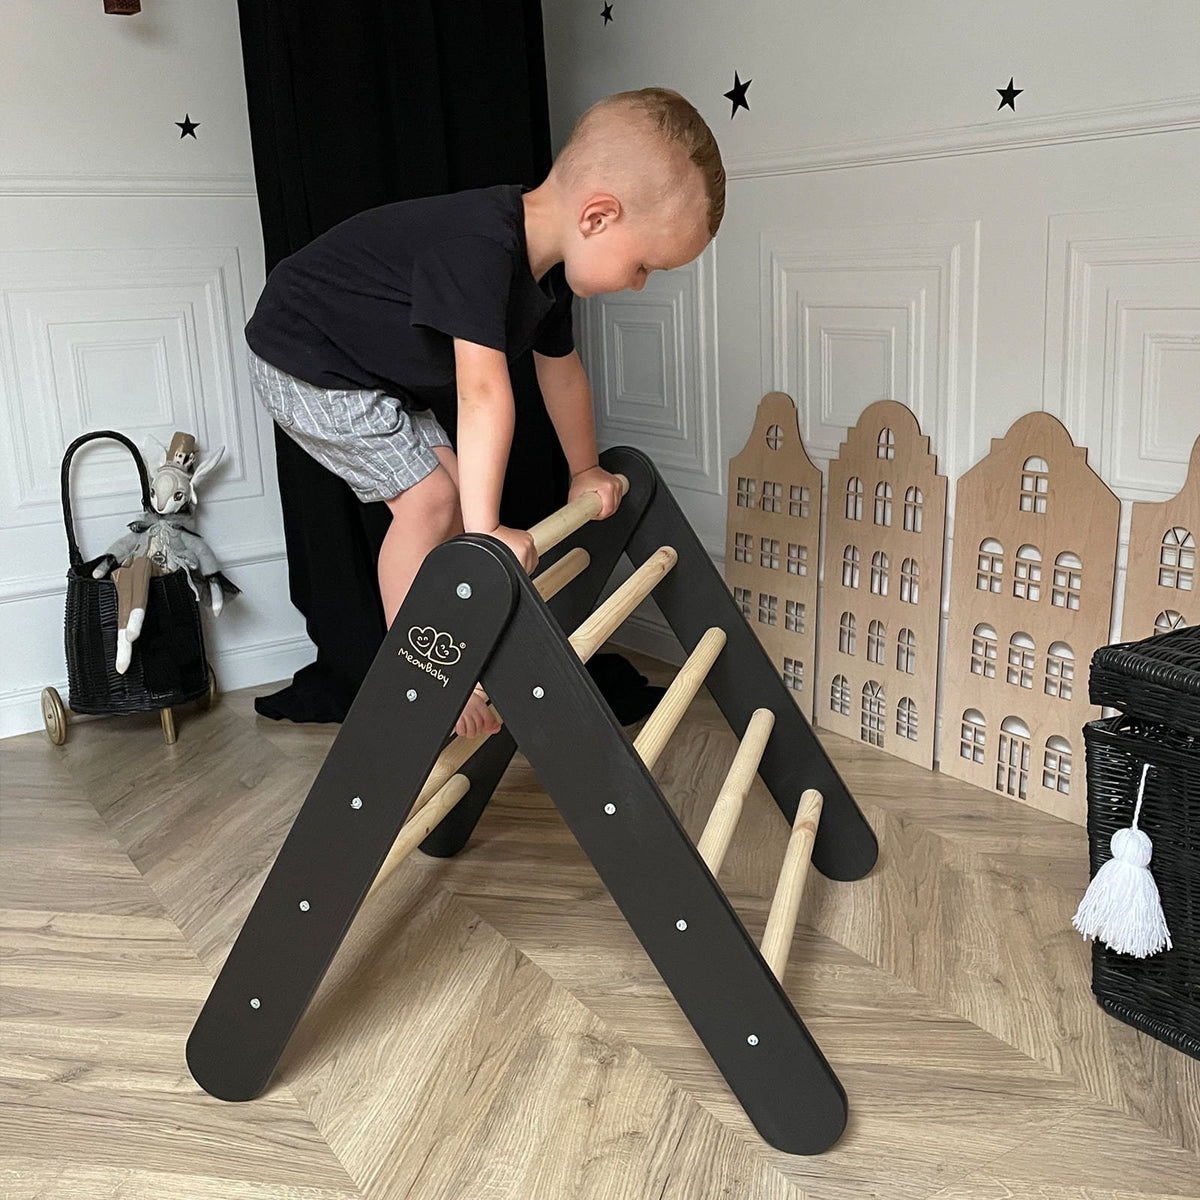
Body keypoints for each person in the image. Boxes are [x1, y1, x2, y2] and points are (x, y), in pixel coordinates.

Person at [245, 87, 725, 737]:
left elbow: (562, 375)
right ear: (598, 217)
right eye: (643, 266)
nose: (639, 283)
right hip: (306, 355)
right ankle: (414, 675)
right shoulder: (479, 245)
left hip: (370, 372)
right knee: (432, 505)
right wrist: (486, 529)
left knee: (451, 504)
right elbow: (482, 393)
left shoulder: (547, 279)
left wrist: (584, 470)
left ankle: (456, 650)